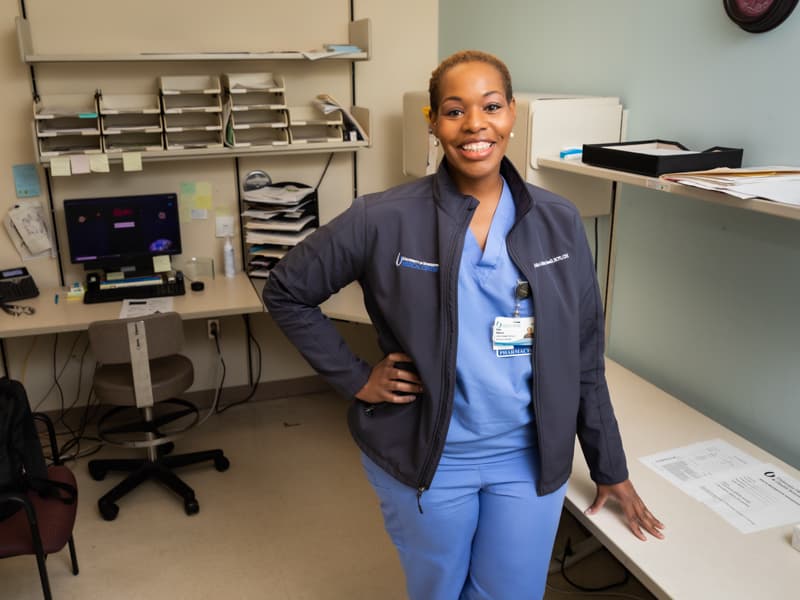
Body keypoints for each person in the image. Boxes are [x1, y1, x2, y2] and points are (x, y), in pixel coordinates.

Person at [264, 49, 664, 600]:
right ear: (432, 123)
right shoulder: (382, 217)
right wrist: (356, 378)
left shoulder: (558, 221)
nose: (475, 124)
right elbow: (286, 289)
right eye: (454, 111)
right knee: (439, 590)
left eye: (490, 106)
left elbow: (583, 356)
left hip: (528, 459)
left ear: (512, 114)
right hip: (430, 457)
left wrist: (608, 464)